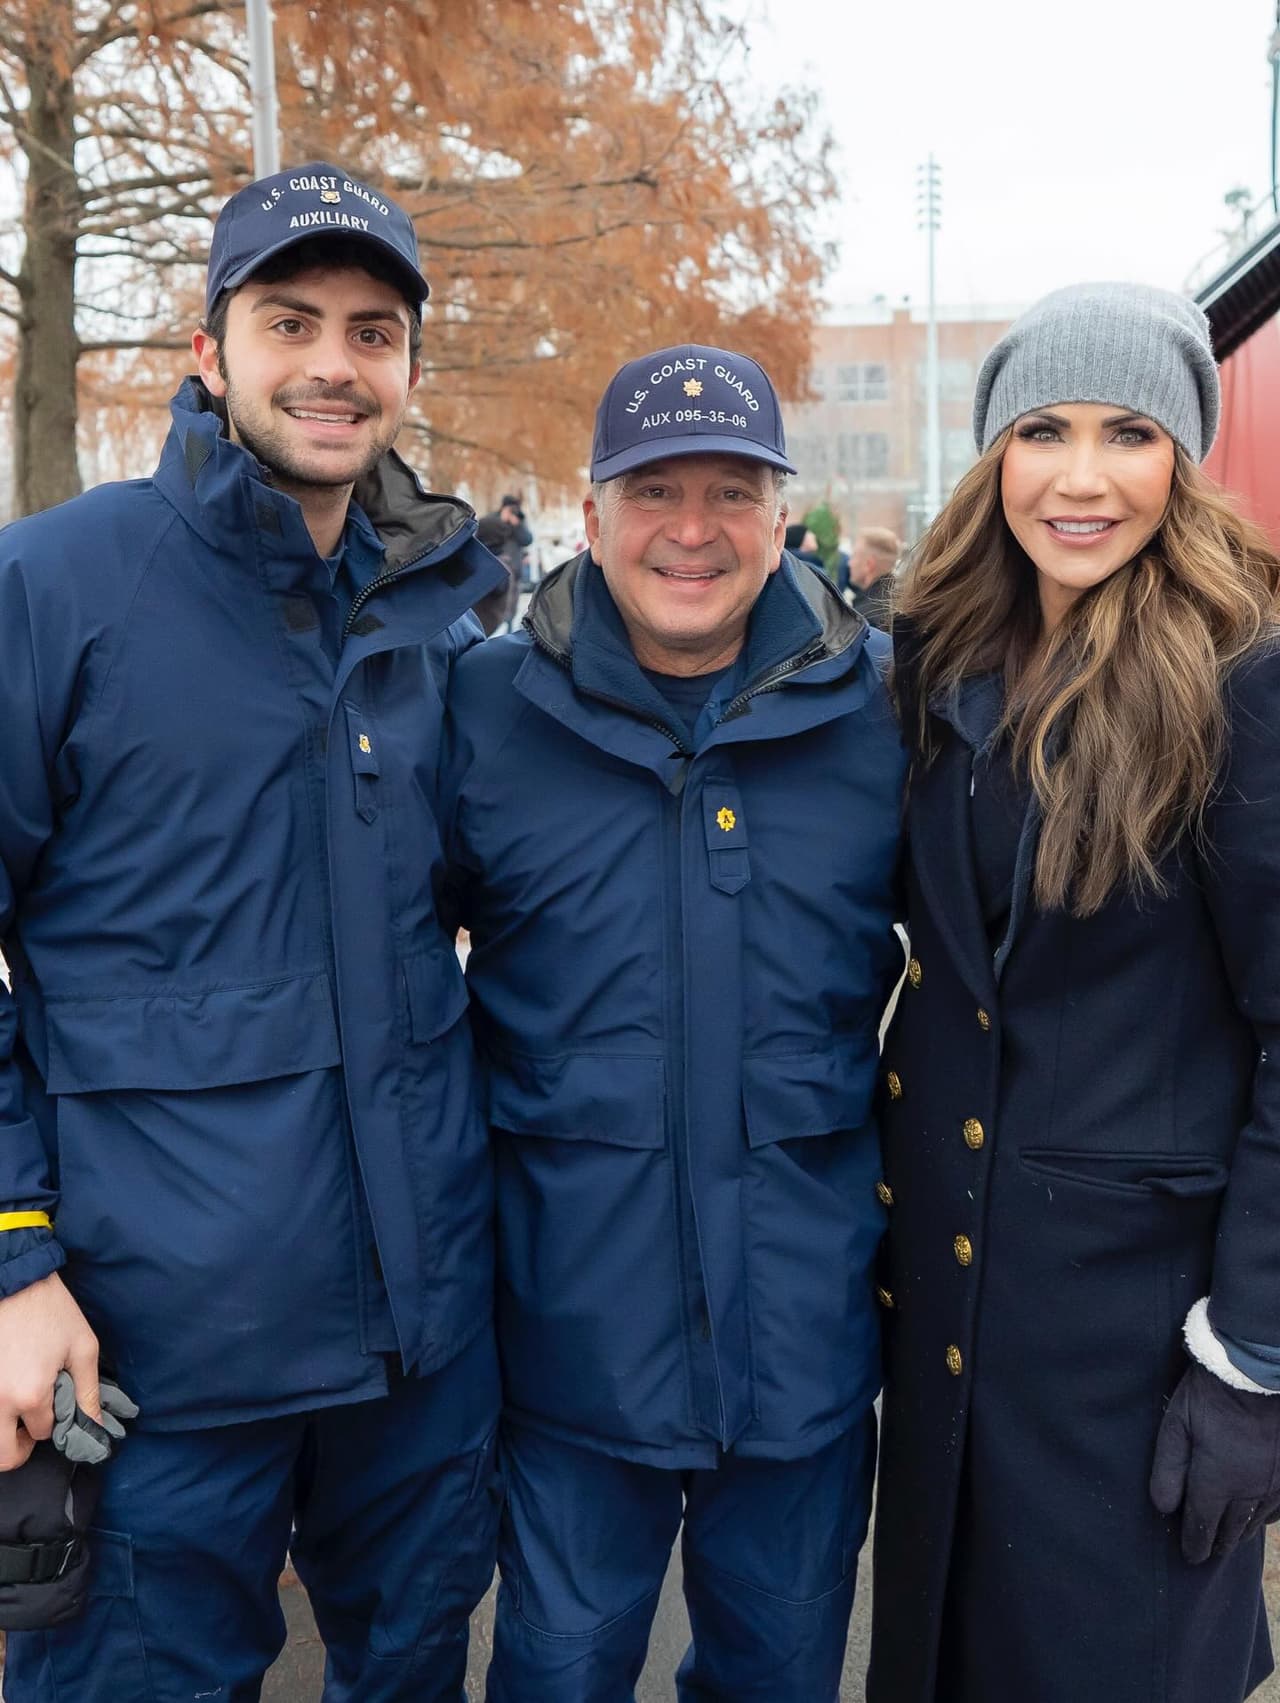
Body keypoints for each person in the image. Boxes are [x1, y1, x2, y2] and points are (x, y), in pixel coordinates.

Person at [0, 162, 506, 1699]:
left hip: (418, 1355)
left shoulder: (442, 614)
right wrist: (14, 1260)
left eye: (372, 329)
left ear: (410, 370)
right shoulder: (59, 585)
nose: (335, 362)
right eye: (292, 320)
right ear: (212, 349)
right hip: (153, 1353)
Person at [441, 343, 906, 1701]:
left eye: (729, 490)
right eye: (654, 490)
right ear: (592, 515)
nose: (691, 530)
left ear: (784, 513)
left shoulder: (886, 707)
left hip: (805, 1350)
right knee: (558, 1666)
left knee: (779, 1672)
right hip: (572, 1337)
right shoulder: (483, 706)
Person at [868, 282, 1280, 1703]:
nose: (1084, 476)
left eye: (1132, 433)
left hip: (1132, 1343)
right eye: (1045, 429)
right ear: (996, 455)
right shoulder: (949, 657)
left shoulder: (1242, 681)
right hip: (954, 1329)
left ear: (1183, 459)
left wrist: (1255, 1357)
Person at [473, 494, 533, 635]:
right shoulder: (492, 519)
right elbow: (486, 534)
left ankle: (508, 632)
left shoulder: (518, 520)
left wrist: (516, 524)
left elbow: (527, 540)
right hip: (496, 566)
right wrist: (501, 521)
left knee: (511, 607)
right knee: (495, 607)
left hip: (514, 569)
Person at [846, 525, 899, 629]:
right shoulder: (901, 601)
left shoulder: (865, 619)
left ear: (869, 565)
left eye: (854, 556)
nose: (849, 563)